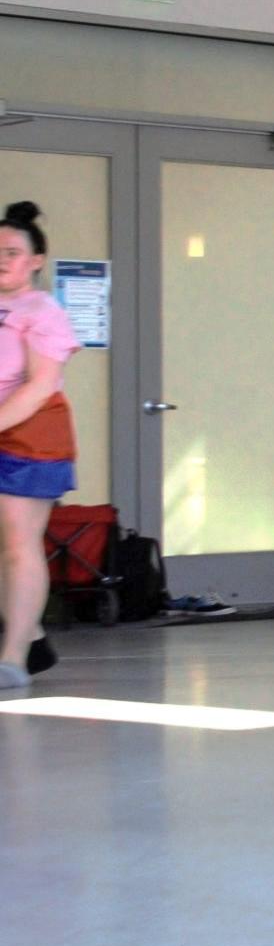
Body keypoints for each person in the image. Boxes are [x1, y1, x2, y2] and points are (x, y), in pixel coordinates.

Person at [0, 203, 81, 689]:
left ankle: (12, 659)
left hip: (32, 432)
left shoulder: (42, 310)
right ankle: (30, 636)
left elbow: (40, 385)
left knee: (18, 543)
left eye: (12, 252)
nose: (1, 260)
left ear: (36, 260)